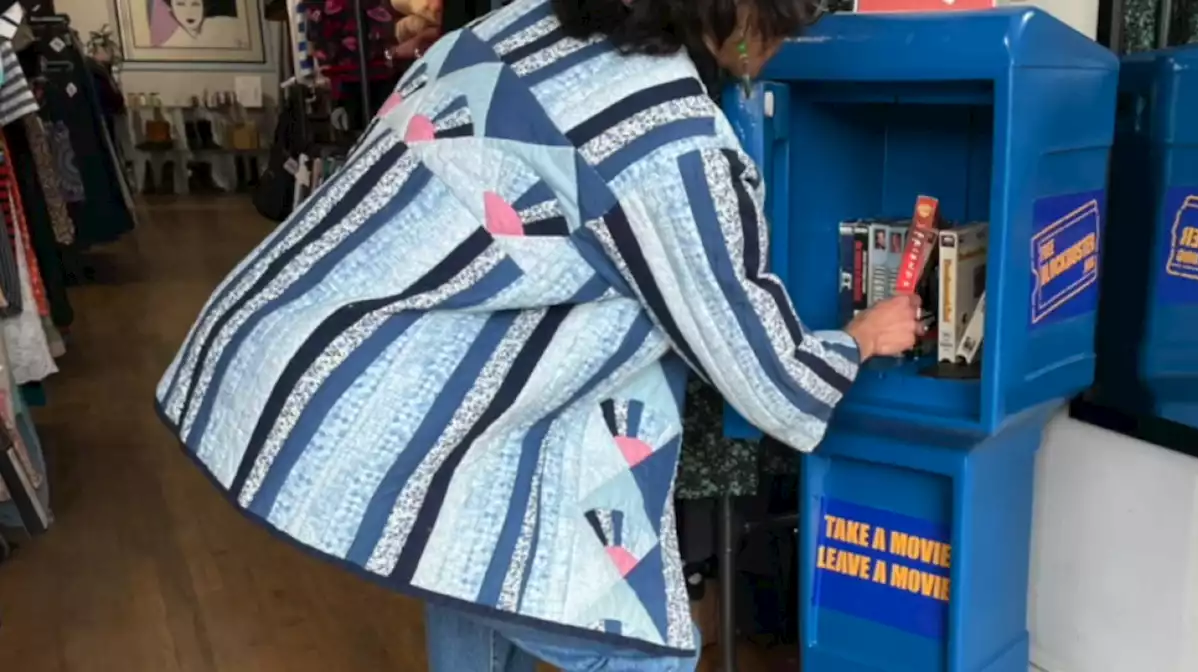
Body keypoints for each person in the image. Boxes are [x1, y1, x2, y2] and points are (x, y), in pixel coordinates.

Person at [154, 0, 923, 669]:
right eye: (778, 22)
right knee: (640, 654)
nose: (778, 46)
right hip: (384, 395)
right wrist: (858, 338)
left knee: (462, 563)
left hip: (303, 347)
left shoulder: (510, 29)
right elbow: (763, 372)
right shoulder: (669, 136)